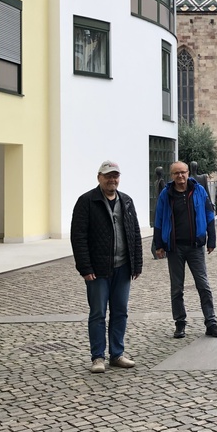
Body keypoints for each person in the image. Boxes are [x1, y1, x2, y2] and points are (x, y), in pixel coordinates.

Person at [70, 160, 144, 373]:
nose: (112, 180)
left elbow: (134, 233)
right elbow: (79, 237)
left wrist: (136, 263)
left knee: (120, 311)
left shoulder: (127, 201)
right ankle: (98, 357)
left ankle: (117, 354)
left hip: (123, 267)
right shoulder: (86, 201)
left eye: (115, 176)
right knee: (98, 313)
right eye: (108, 176)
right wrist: (85, 267)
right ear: (99, 177)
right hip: (98, 269)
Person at [154, 161, 217, 339]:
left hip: (196, 247)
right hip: (174, 248)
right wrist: (159, 245)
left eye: (183, 172)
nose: (180, 176)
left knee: (203, 285)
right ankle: (180, 323)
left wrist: (212, 239)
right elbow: (159, 219)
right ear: (172, 176)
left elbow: (209, 214)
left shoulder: (199, 190)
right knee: (177, 288)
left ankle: (211, 322)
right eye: (176, 173)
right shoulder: (166, 194)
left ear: (188, 173)